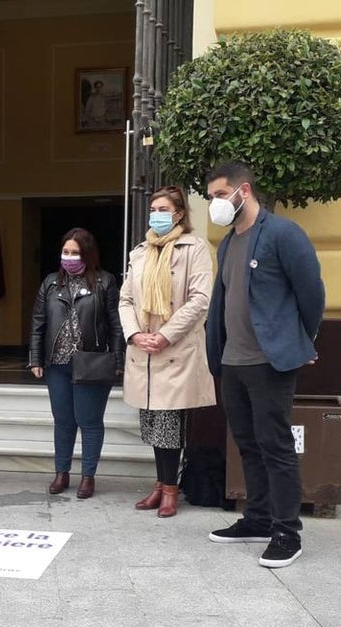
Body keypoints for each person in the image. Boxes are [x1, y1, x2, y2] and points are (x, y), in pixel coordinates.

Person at [204, 160, 325, 568]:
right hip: (233, 360)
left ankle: (287, 531)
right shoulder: (228, 243)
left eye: (220, 195)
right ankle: (256, 519)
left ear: (244, 191)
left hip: (269, 361)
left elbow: (312, 293)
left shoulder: (282, 234)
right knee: (247, 444)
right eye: (211, 198)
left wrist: (300, 341)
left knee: (276, 447)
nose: (215, 204)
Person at [118, 185, 216, 518]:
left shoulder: (195, 248)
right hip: (144, 351)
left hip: (174, 351)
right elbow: (126, 299)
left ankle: (171, 490)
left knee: (168, 425)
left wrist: (165, 335)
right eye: (153, 209)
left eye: (163, 210)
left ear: (179, 214)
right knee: (152, 424)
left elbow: (200, 299)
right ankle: (160, 485)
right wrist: (134, 334)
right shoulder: (141, 251)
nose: (156, 215)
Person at [28, 228, 123, 500]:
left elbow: (116, 325)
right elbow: (38, 323)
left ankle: (88, 476)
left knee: (89, 421)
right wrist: (35, 358)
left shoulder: (104, 282)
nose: (69, 257)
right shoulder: (50, 283)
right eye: (66, 252)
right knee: (63, 421)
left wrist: (117, 360)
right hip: (57, 364)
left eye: (75, 253)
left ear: (87, 254)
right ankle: (61, 472)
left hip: (91, 363)